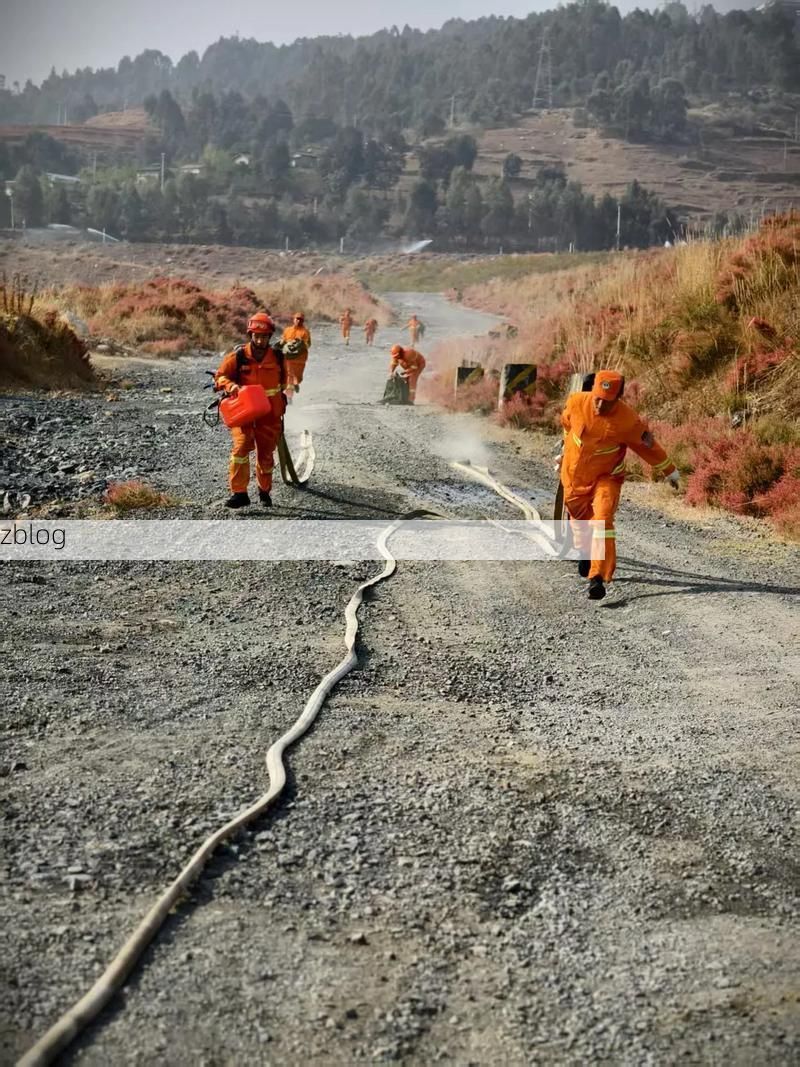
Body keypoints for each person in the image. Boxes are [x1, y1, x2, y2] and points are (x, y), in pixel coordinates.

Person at [559, 369, 679, 601]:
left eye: (607, 402)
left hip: (607, 477)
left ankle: (598, 577)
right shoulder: (576, 402)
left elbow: (648, 446)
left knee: (603, 519)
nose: (601, 406)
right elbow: (566, 423)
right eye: (598, 399)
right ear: (592, 392)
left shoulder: (627, 420)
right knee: (579, 519)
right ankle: (585, 551)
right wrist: (564, 448)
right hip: (574, 477)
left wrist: (670, 470)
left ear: (618, 399)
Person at [214, 312, 287, 510]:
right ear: (250, 335)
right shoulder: (238, 356)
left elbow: (284, 385)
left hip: (269, 416)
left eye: (264, 336)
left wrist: (280, 404)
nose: (260, 339)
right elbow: (220, 377)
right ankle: (239, 493)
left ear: (270, 337)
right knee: (240, 449)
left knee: (265, 456)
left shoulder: (278, 358)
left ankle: (264, 492)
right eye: (256, 335)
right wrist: (231, 387)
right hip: (244, 414)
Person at [280, 311, 312, 402]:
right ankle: (289, 397)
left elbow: (307, 345)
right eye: (297, 319)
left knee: (296, 378)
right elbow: (283, 340)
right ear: (293, 319)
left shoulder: (305, 332)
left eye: (300, 319)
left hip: (299, 360)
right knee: (289, 377)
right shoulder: (287, 330)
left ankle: (293, 387)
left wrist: (299, 344)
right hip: (288, 359)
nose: (298, 321)